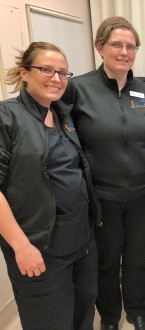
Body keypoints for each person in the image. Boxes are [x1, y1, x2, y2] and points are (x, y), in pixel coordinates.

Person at [61, 17, 145, 330]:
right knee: (105, 261)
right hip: (101, 195)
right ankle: (110, 317)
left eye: (131, 46)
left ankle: (137, 311)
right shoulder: (77, 89)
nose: (124, 52)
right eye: (117, 44)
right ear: (100, 47)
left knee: (137, 256)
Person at [0, 42, 100, 329]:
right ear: (25, 73)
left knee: (83, 315)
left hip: (81, 240)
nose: (56, 79)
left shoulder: (61, 114)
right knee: (50, 321)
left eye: (63, 72)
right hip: (39, 246)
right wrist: (21, 247)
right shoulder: (7, 117)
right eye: (46, 70)